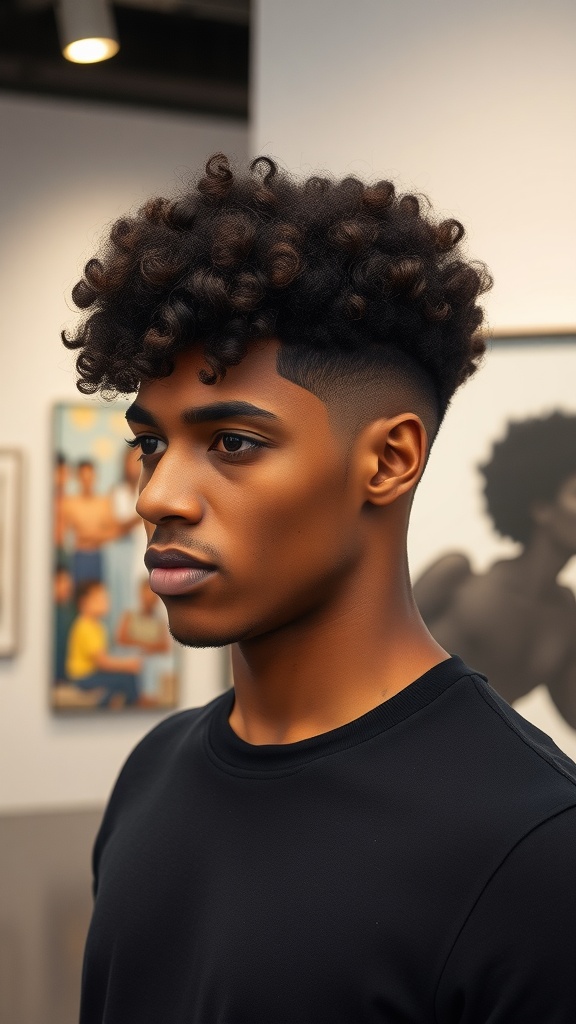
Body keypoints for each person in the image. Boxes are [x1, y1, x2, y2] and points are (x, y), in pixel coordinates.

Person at [63, 155, 576, 1023]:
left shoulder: (536, 850)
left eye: (232, 443)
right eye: (150, 444)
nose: (155, 497)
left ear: (389, 460)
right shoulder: (151, 776)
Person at [415, 411, 576, 728]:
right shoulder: (456, 576)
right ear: (542, 508)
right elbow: (370, 652)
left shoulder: (566, 617)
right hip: (391, 739)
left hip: (468, 754)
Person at [65, 579, 141, 707]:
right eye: (100, 600)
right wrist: (127, 664)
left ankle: (110, 705)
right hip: (82, 677)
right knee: (126, 678)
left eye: (106, 598)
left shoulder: (98, 626)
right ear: (84, 603)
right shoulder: (84, 626)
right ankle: (129, 709)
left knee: (121, 680)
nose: (106, 603)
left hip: (93, 674)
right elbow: (102, 662)